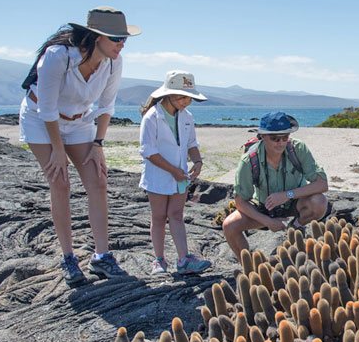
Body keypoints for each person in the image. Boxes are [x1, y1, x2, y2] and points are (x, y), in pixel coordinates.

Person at [18, 6, 139, 285]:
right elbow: (47, 109)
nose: (121, 45)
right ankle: (69, 258)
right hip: (41, 119)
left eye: (124, 40)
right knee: (60, 182)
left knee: (97, 179)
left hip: (80, 121)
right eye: (116, 39)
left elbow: (107, 105)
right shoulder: (58, 57)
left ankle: (102, 256)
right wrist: (58, 151)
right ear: (96, 36)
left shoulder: (112, 62)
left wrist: (98, 143)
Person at [222, 112, 331, 259]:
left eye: (285, 137)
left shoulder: (298, 149)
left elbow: (322, 184)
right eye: (275, 138)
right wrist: (267, 221)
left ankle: (296, 227)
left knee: (319, 202)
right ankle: (249, 267)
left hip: (294, 203)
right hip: (263, 206)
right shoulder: (249, 160)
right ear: (263, 137)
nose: (280, 142)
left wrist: (287, 195)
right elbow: (240, 201)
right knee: (229, 226)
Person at [138, 70, 213, 275]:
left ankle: (183, 259)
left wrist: (197, 161)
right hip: (159, 176)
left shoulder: (187, 116)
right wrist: (173, 171)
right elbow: (148, 151)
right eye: (181, 96)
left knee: (177, 215)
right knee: (159, 217)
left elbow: (191, 143)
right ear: (168, 94)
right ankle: (159, 260)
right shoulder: (152, 117)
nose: (185, 101)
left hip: (180, 177)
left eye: (188, 97)